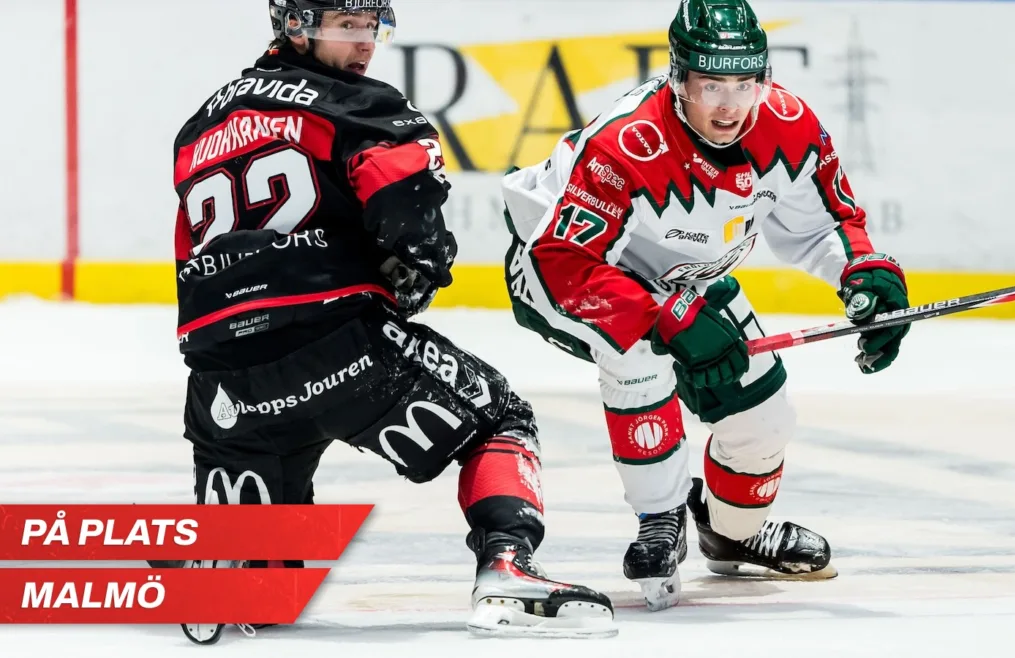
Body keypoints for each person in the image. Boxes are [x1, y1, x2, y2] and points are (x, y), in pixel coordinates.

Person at [170, 0, 614, 643]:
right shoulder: (359, 104)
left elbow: (195, 252)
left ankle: (231, 564)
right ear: (294, 26)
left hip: (220, 383)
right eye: (344, 25)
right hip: (338, 347)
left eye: (370, 26)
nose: (364, 43)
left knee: (269, 595)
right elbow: (409, 210)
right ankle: (508, 566)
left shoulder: (198, 125)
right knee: (500, 417)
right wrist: (423, 264)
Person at [501, 0, 909, 611]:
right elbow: (565, 262)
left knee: (764, 419)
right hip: (563, 271)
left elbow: (828, 223)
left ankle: (732, 532)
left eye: (744, 83)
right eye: (711, 84)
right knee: (637, 356)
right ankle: (659, 519)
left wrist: (863, 275)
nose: (729, 105)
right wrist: (665, 319)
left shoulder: (789, 123)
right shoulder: (627, 143)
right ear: (678, 78)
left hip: (684, 277)